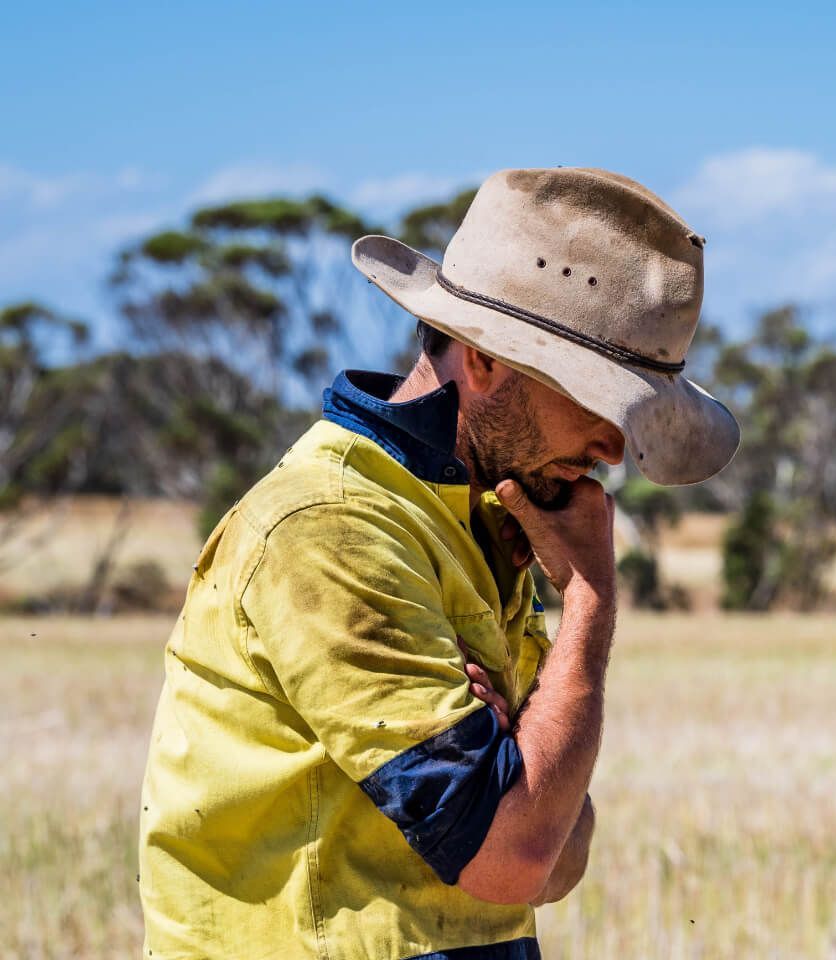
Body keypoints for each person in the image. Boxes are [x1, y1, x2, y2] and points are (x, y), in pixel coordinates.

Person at [137, 167, 740, 959]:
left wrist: (525, 776)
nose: (616, 449)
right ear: (483, 361)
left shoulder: (477, 521)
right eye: (599, 399)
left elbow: (562, 851)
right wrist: (589, 602)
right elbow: (518, 858)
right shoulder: (333, 528)